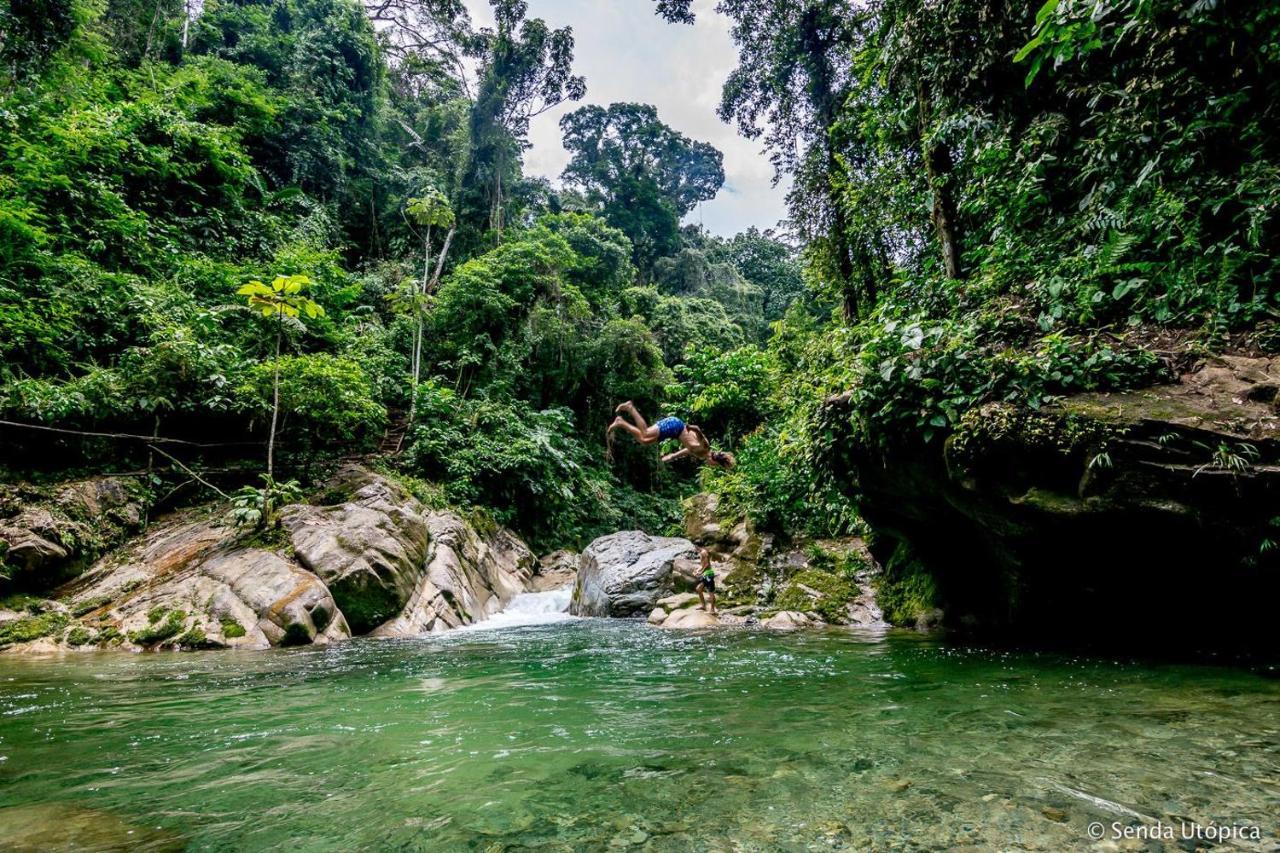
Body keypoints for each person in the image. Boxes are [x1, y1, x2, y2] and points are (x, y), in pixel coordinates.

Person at [606, 401, 736, 468]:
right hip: (675, 425)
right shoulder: (706, 447)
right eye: (717, 465)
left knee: (644, 441)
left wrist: (672, 456)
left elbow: (688, 450)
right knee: (645, 433)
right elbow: (697, 429)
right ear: (715, 461)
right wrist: (690, 427)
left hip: (675, 432)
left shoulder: (701, 454)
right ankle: (630, 408)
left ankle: (621, 422)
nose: (713, 466)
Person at [695, 547, 717, 614]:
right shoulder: (703, 552)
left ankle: (712, 610)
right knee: (698, 589)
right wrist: (698, 570)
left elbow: (707, 564)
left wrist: (701, 572)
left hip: (709, 575)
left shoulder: (703, 552)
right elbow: (703, 564)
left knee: (710, 592)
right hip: (706, 575)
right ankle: (703, 606)